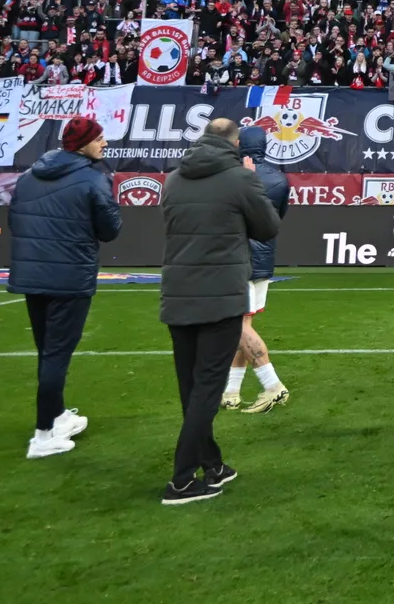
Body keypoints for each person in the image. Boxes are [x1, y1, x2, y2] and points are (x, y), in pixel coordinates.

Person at [158, 118, 281, 505]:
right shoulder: (240, 178)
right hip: (221, 294)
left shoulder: (175, 178)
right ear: (236, 144)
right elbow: (268, 227)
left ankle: (212, 464)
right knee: (208, 389)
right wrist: (252, 183)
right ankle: (180, 480)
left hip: (178, 292)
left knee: (191, 388)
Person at [6, 116, 122, 459]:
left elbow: (14, 221)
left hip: (33, 276)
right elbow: (110, 230)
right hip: (69, 277)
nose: (104, 143)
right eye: (99, 138)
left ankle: (55, 416)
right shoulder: (93, 178)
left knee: (48, 352)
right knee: (57, 355)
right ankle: (43, 436)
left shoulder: (28, 177)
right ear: (81, 143)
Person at [224, 125, 291, 412]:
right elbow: (277, 218)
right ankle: (230, 392)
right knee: (244, 326)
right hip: (263, 260)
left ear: (239, 145)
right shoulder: (278, 178)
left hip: (237, 258)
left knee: (237, 326)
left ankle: (273, 385)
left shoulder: (233, 177)